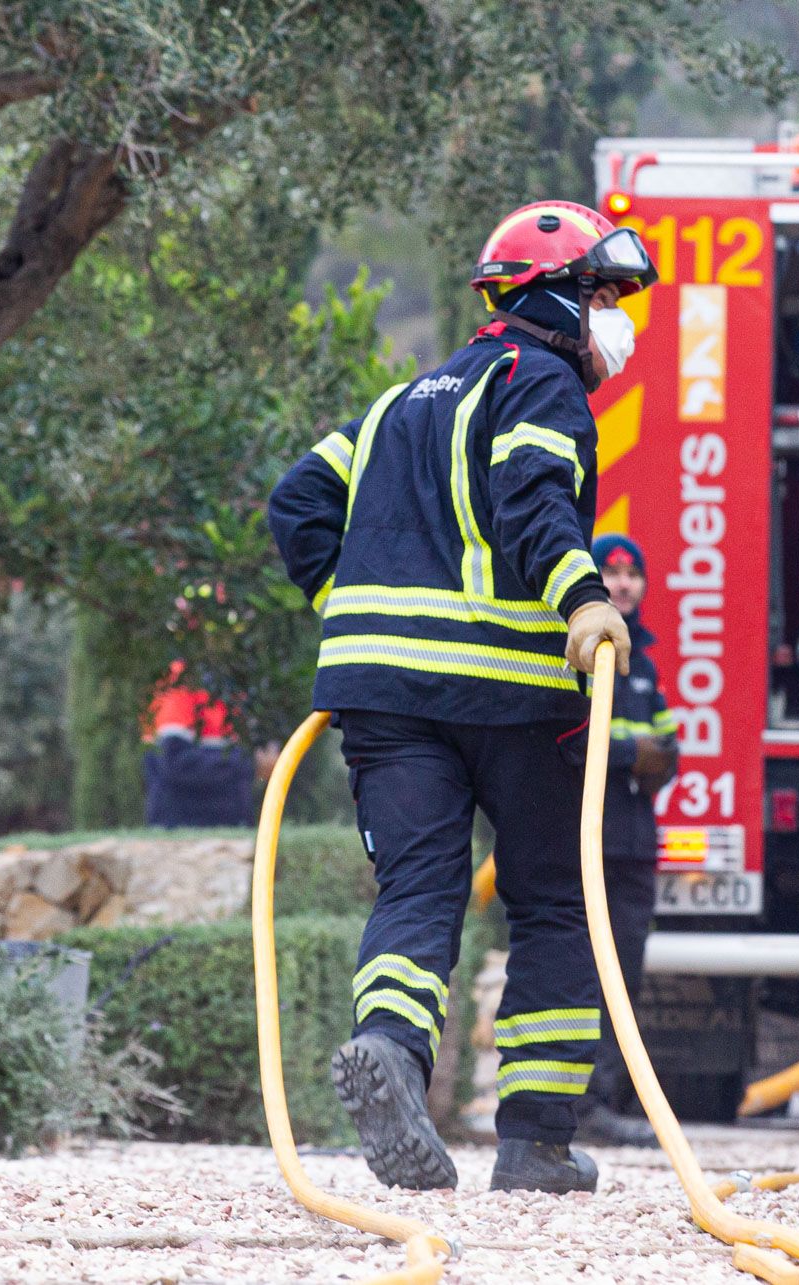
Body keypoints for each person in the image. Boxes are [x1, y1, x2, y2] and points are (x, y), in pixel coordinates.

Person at [267, 200, 656, 1194]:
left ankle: (391, 1047)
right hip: (511, 696)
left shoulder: (401, 401)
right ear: (556, 295)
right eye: (607, 296)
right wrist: (582, 600)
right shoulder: (546, 382)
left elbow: (298, 501)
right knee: (556, 901)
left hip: (383, 696)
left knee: (420, 887)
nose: (618, 319)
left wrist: (352, 609)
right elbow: (532, 496)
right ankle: (536, 1141)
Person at [574, 532, 677, 1147]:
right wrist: (630, 755)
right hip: (587, 838)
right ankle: (579, 1103)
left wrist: (650, 757)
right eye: (609, 573)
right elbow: (565, 742)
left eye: (631, 573)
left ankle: (605, 1100)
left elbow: (669, 750)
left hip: (634, 843)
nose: (621, 583)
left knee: (625, 977)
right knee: (587, 975)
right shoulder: (578, 654)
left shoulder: (648, 663)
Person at [141, 659, 255, 828]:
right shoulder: (183, 681)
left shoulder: (232, 679)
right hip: (183, 831)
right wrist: (250, 763)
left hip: (228, 828)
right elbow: (174, 763)